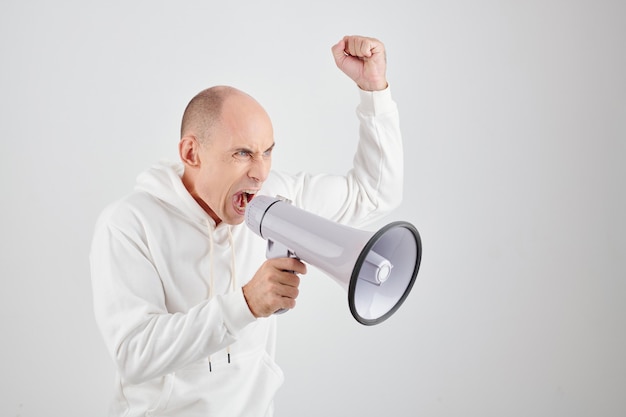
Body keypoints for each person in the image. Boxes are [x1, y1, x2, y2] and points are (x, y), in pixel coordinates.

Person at [90, 35, 404, 417]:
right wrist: (245, 304)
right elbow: (134, 355)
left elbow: (374, 194)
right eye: (242, 153)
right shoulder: (128, 224)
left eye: (268, 152)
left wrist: (374, 93)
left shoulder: (278, 197)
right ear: (192, 153)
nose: (259, 173)